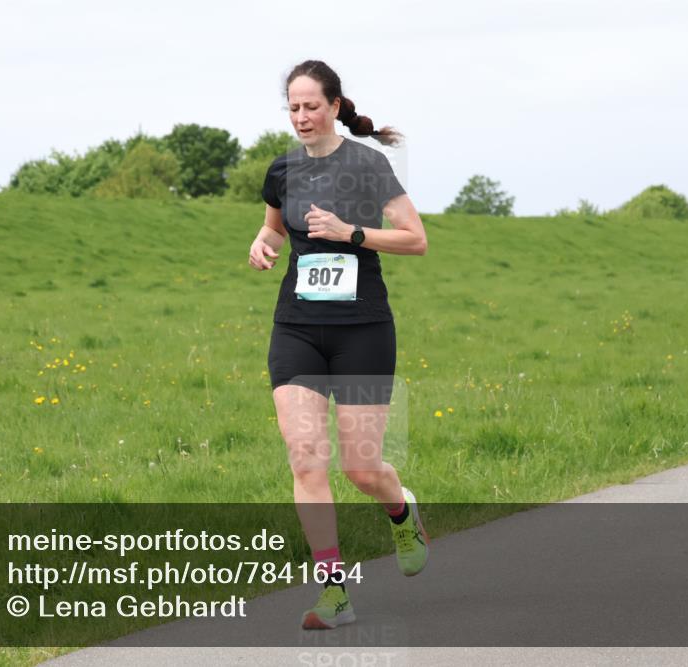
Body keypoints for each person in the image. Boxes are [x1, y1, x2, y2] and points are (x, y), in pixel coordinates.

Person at [249, 60, 429, 630]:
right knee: (305, 456)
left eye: (311, 106)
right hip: (297, 326)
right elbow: (276, 225)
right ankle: (334, 592)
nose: (301, 117)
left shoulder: (367, 165)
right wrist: (262, 243)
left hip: (362, 329)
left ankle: (400, 509)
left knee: (361, 468)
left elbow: (415, 239)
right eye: (293, 108)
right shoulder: (283, 169)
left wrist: (351, 233)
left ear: (333, 105)